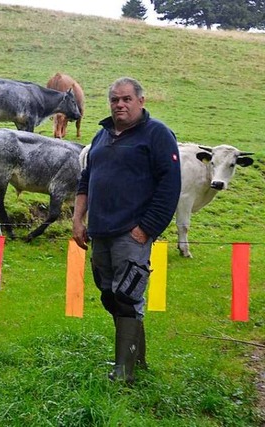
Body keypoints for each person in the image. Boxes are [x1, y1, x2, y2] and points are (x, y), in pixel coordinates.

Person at [72, 77, 181, 384]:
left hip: (131, 233)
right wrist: (78, 220)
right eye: (115, 100)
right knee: (110, 295)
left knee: (128, 295)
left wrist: (146, 229)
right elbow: (86, 179)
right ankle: (136, 358)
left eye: (126, 99)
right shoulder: (101, 135)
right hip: (100, 231)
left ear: (141, 101)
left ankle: (125, 371)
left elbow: (170, 186)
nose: (119, 104)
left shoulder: (157, 134)